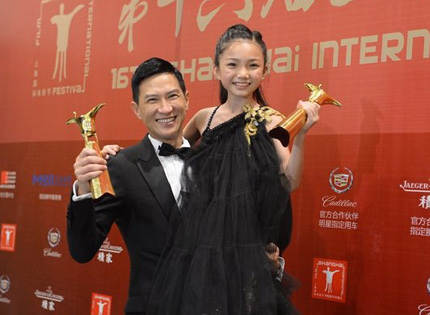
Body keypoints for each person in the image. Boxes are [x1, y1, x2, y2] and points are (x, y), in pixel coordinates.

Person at [145, 24, 321, 315]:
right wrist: (123, 154)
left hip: (248, 250)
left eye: (253, 65)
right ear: (216, 70)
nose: (242, 74)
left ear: (265, 71)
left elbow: (291, 179)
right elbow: (167, 149)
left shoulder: (271, 120)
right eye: (232, 65)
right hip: (199, 245)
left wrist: (302, 134)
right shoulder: (204, 118)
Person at [66, 57, 191, 314]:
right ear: (136, 109)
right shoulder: (121, 166)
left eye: (172, 96)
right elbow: (82, 249)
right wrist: (83, 190)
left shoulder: (211, 163)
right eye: (152, 100)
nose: (166, 108)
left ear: (186, 99)